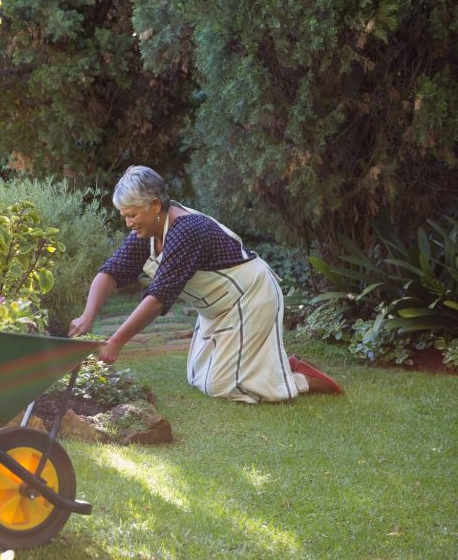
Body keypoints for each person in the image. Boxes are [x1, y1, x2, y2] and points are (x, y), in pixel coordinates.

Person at [70, 165, 343, 403]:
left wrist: (116, 341)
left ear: (154, 205)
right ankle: (279, 365)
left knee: (222, 385)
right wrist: (87, 316)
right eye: (124, 216)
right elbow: (111, 271)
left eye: (132, 215)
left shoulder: (187, 230)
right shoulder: (147, 232)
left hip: (249, 296)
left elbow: (158, 298)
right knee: (197, 377)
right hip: (214, 307)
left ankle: (302, 378)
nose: (128, 223)